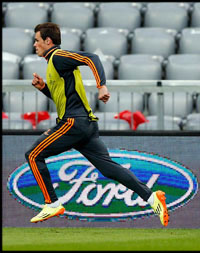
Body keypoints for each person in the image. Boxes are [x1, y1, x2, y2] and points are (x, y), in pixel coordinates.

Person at [26, 22, 169, 227]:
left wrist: (102, 86)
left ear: (48, 41)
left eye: (37, 40)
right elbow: (65, 97)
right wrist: (44, 89)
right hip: (85, 125)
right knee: (109, 169)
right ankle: (152, 197)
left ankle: (51, 203)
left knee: (33, 155)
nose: (34, 44)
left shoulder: (58, 57)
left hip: (73, 123)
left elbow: (91, 58)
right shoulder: (53, 64)